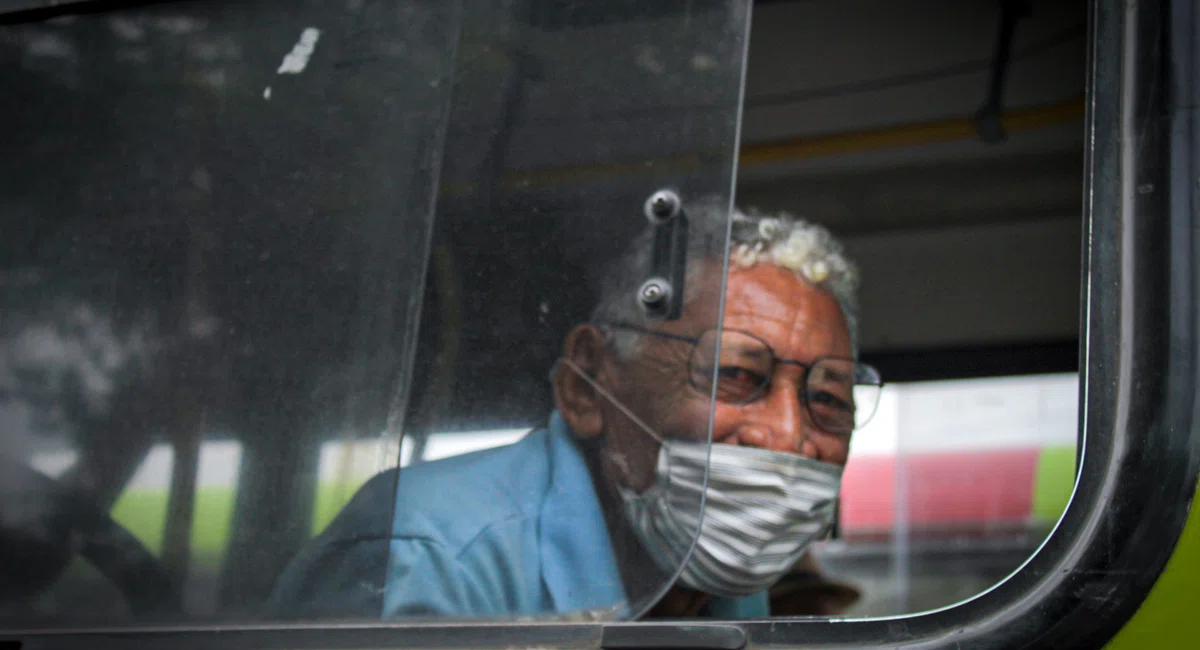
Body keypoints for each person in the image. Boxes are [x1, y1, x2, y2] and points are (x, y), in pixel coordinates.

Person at [267, 202, 881, 620]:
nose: (788, 434)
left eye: (827, 398)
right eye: (737, 375)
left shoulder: (722, 584)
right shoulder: (426, 556)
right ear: (588, 384)